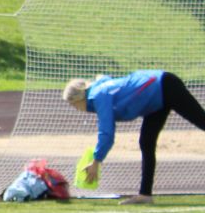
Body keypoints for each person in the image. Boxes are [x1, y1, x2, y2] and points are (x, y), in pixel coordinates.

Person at [64, 71, 205, 202]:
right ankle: (145, 195)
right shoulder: (98, 93)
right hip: (156, 100)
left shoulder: (99, 95)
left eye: (73, 104)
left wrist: (96, 161)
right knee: (146, 142)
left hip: (165, 85)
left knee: (201, 121)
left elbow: (106, 133)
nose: (75, 108)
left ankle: (145, 193)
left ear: (79, 98)